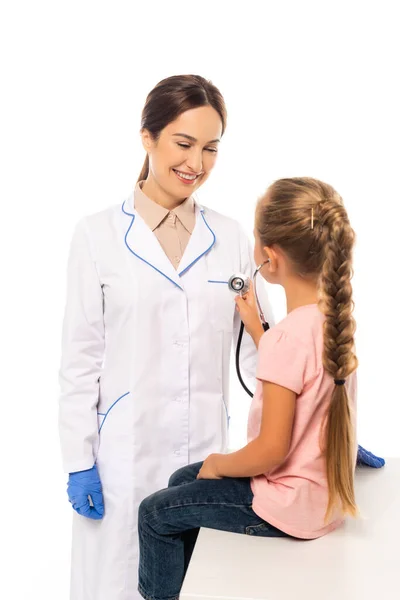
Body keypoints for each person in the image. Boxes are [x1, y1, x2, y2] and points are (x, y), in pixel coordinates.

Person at [58, 74, 273, 600]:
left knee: (195, 585)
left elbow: (258, 351)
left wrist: (319, 414)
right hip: (121, 461)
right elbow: (80, 359)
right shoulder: (97, 235)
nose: (195, 164)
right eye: (183, 144)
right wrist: (79, 460)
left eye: (210, 149)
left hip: (202, 458)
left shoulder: (231, 238)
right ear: (147, 138)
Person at [137, 177, 360, 600]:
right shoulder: (333, 326)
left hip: (288, 509)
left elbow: (271, 451)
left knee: (154, 513)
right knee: (180, 479)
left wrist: (220, 464)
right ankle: (193, 583)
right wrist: (259, 331)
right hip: (321, 498)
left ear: (268, 258)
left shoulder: (287, 340)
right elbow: (299, 372)